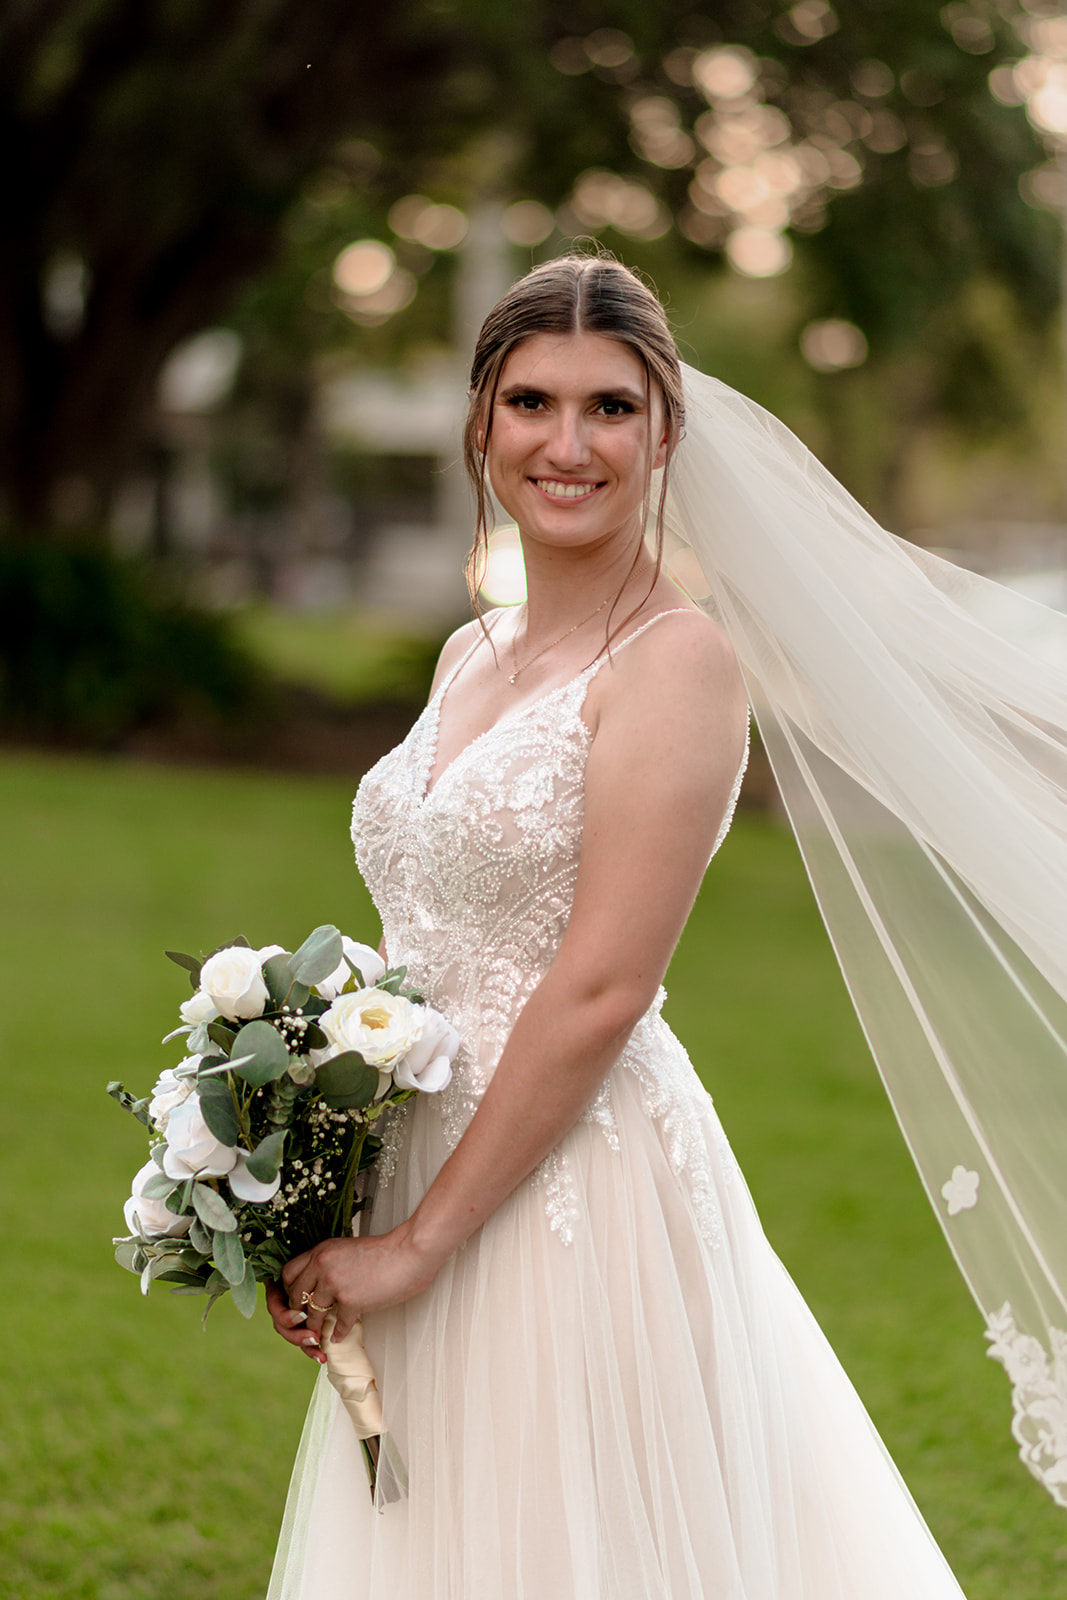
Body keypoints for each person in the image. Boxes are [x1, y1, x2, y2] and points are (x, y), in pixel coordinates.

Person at [262, 253, 986, 1599]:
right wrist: (311, 1173)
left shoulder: (678, 665)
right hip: (421, 1151)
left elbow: (600, 985)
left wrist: (422, 1245)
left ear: (665, 434)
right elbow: (426, 927)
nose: (568, 443)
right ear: (480, 421)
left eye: (613, 407)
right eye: (532, 402)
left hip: (570, 1186)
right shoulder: (472, 653)